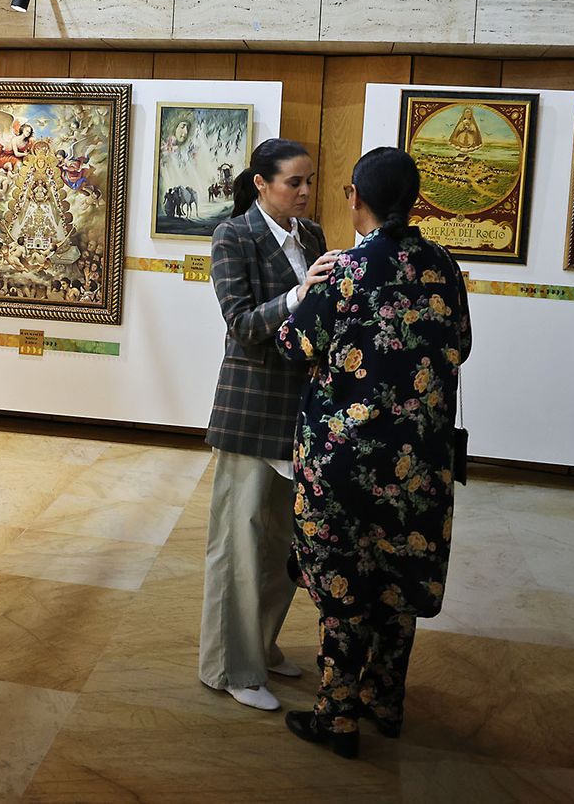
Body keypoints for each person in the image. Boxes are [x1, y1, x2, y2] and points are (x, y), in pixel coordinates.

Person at [275, 147, 471, 760]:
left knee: (342, 590)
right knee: (395, 584)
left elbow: (292, 341)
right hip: (419, 466)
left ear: (355, 197)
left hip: (343, 465)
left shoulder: (346, 271)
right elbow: (460, 346)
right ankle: (385, 701)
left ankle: (337, 717)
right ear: (413, 201)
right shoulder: (444, 265)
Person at [201, 138, 340, 712]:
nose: (306, 192)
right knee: (239, 544)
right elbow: (240, 323)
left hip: (303, 410)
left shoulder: (311, 236)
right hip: (251, 408)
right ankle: (231, 668)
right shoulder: (232, 236)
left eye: (310, 181)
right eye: (294, 183)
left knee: (285, 543)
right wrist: (298, 294)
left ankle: (262, 644)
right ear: (261, 184)